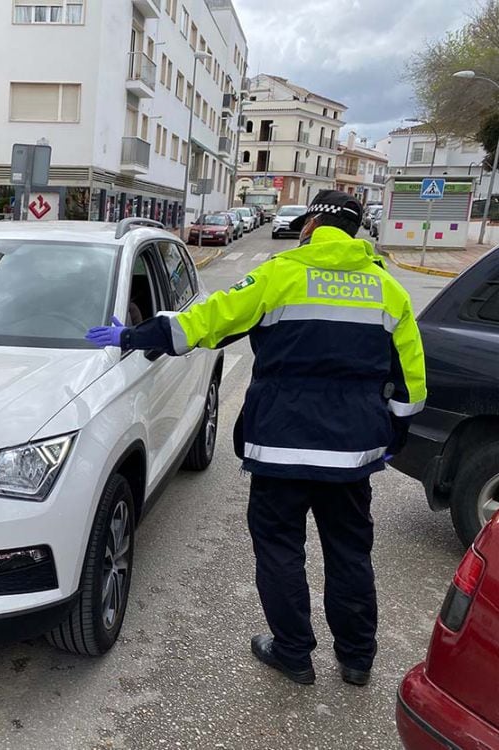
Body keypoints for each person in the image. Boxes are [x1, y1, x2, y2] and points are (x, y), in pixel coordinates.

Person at [86, 190, 426, 687]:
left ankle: (294, 653)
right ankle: (356, 658)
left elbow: (207, 322)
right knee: (349, 552)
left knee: (280, 550)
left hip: (280, 448)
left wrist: (134, 336)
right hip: (351, 455)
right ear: (355, 230)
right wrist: (393, 435)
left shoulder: (278, 274)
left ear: (311, 223)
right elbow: (412, 383)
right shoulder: (387, 290)